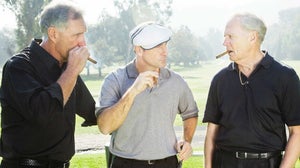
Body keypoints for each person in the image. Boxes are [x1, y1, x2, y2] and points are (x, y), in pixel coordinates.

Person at [0, 1, 97, 167]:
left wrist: (130, 90)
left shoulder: (65, 68)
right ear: (53, 34)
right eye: (76, 35)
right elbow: (44, 113)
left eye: (84, 34)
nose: (83, 43)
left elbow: (92, 112)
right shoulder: (19, 67)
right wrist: (73, 70)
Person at [202, 13, 300, 168]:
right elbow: (211, 132)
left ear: (252, 38)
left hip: (268, 164)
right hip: (225, 163)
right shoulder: (220, 80)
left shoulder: (285, 76)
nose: (224, 42)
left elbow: (297, 132)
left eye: (230, 36)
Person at [96, 22, 199, 168]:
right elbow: (105, 127)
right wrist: (133, 91)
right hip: (125, 163)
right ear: (139, 50)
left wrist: (186, 141)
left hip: (167, 163)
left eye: (165, 45)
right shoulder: (115, 80)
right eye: (158, 46)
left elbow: (190, 113)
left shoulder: (176, 81)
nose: (165, 52)